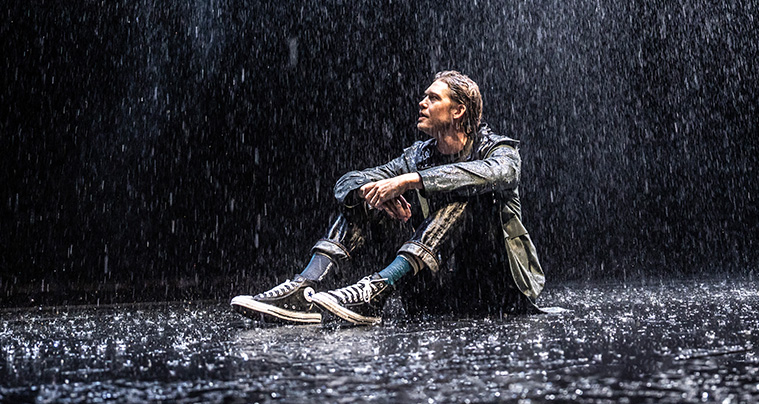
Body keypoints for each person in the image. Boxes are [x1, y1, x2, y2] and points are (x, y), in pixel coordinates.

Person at [231, 70, 544, 326]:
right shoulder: (419, 154)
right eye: (424, 96)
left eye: (433, 98)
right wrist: (371, 193)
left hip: (495, 291)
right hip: (437, 292)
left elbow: (501, 173)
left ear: (458, 110)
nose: (422, 103)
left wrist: (412, 181)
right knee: (367, 196)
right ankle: (305, 289)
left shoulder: (498, 149)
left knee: (465, 195)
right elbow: (349, 182)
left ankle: (377, 289)